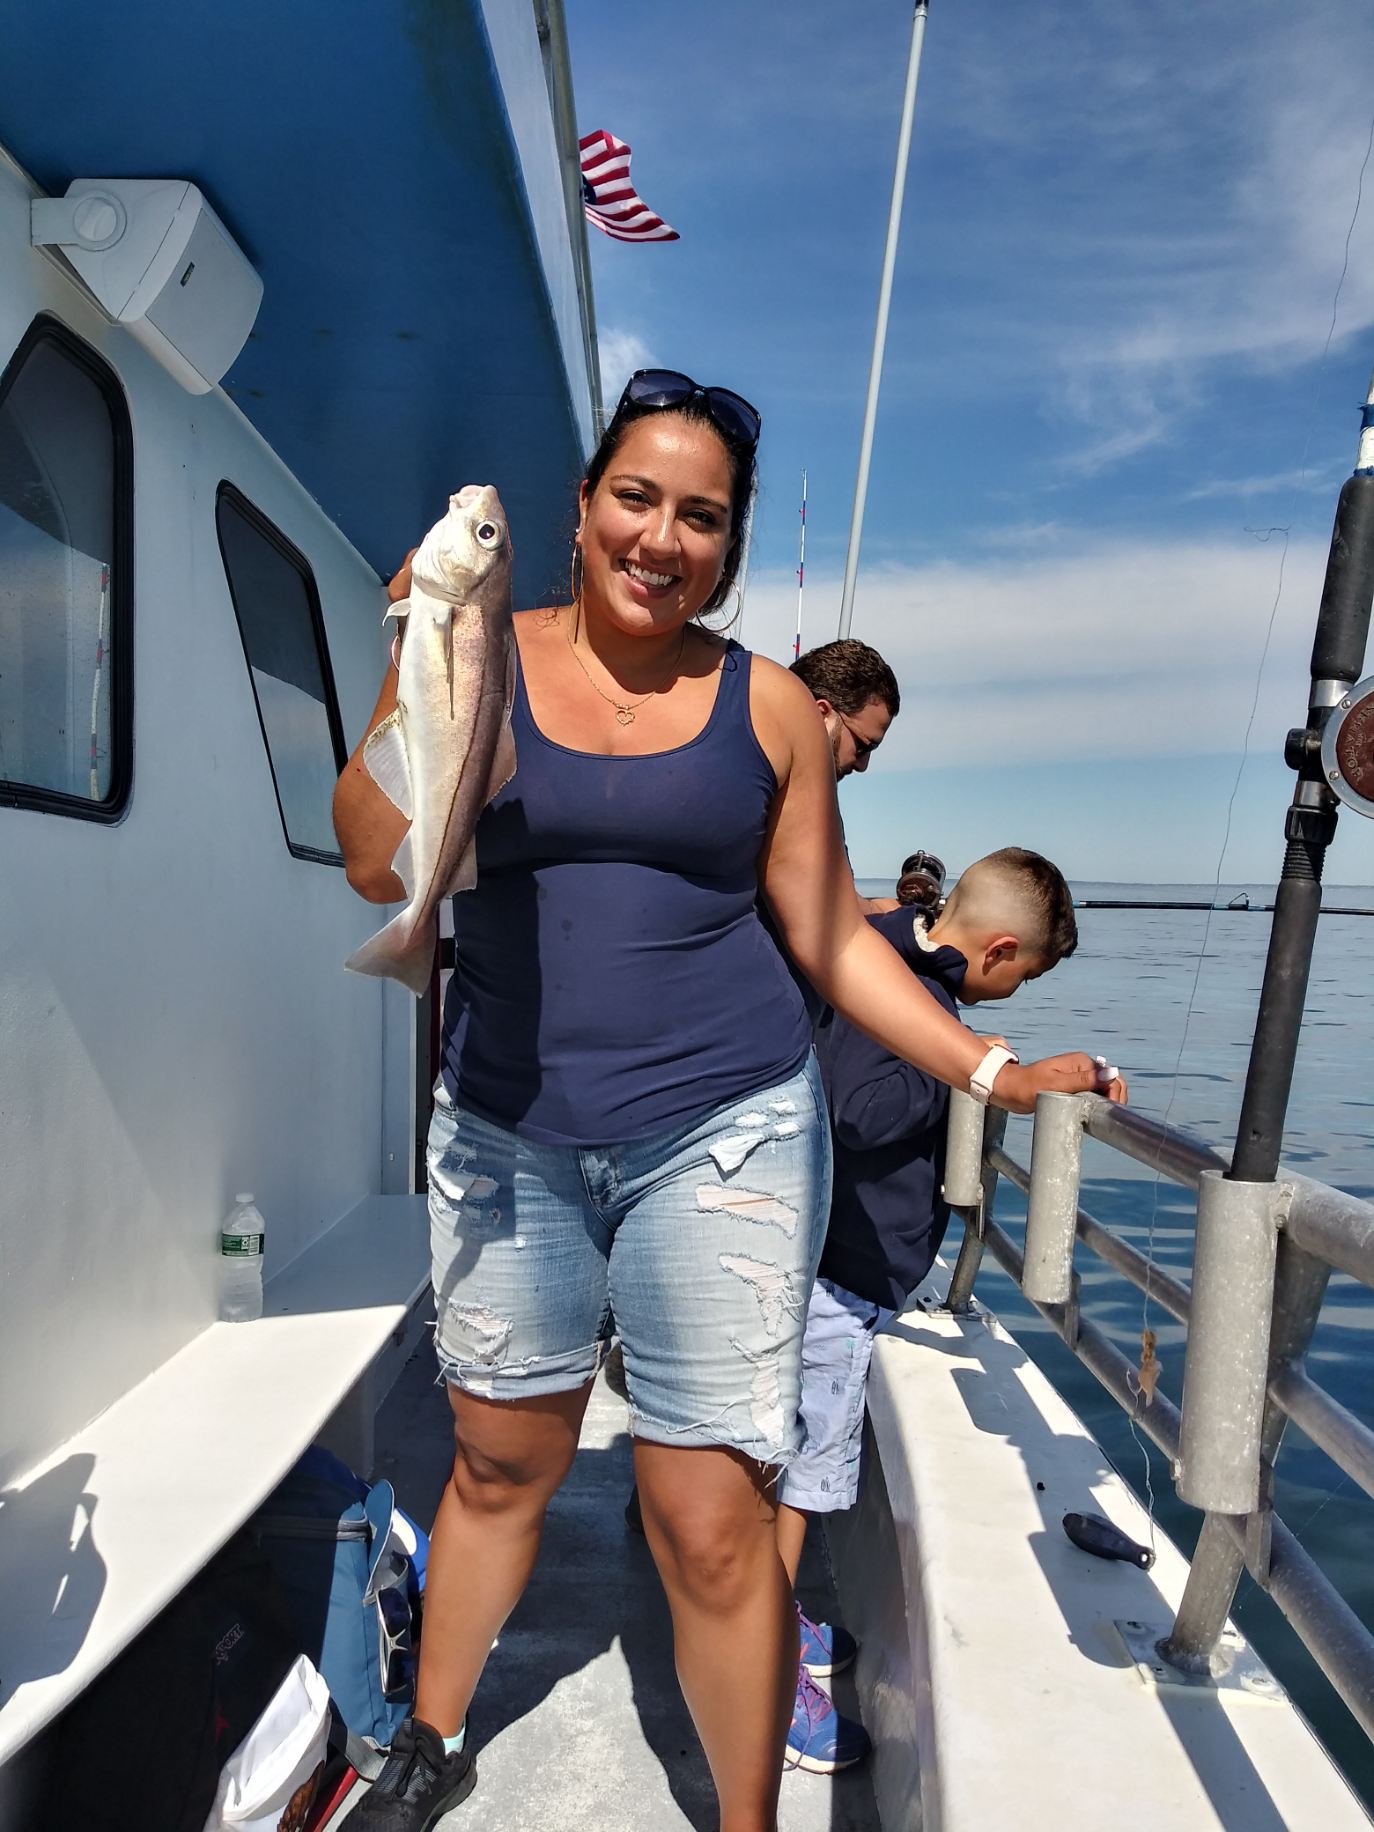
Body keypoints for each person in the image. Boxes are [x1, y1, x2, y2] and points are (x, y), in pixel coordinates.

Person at [332, 368, 1124, 1831]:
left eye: (701, 515)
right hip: (507, 1115)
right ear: (577, 512)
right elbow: (380, 861)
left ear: (730, 548)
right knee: (502, 1460)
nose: (661, 535)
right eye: (635, 497)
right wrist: (425, 669)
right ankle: (426, 1741)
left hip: (723, 1136)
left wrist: (990, 1067)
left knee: (705, 1519)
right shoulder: (475, 642)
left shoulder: (766, 709)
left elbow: (827, 935)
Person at [774, 850, 1102, 1773]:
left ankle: (770, 1618)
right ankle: (760, 1673)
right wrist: (969, 1067)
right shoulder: (915, 1004)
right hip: (834, 1284)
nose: (1010, 997)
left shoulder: (879, 942)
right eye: (1021, 977)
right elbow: (860, 1108)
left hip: (823, 1267)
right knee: (803, 1476)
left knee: (784, 1459)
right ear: (997, 952)